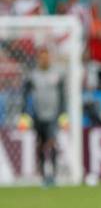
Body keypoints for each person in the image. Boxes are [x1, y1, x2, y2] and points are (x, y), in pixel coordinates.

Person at [23, 48, 65, 186]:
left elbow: (62, 95)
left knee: (52, 143)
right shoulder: (33, 75)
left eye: (46, 57)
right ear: (38, 59)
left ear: (49, 58)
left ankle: (52, 175)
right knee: (40, 144)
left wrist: (63, 113)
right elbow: (25, 94)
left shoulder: (57, 73)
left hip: (53, 114)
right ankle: (42, 176)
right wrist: (24, 113)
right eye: (42, 57)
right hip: (37, 115)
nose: (44, 59)